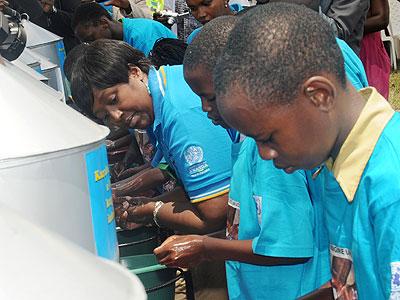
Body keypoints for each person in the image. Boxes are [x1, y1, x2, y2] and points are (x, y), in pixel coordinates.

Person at [214, 3, 400, 299]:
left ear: (319, 95)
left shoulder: (390, 187)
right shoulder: (333, 161)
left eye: (270, 138)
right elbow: (354, 281)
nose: (264, 155)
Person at [155, 16, 332, 299]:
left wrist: (205, 248)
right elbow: (248, 228)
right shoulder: (243, 141)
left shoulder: (270, 156)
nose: (204, 108)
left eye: (211, 97)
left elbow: (286, 246)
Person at [70, 39, 232, 235]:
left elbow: (215, 213)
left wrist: (154, 211)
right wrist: (149, 204)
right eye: (105, 116)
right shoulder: (162, 96)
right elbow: (193, 192)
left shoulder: (178, 114)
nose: (116, 117)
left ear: (135, 72)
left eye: (114, 99)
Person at [72, 2, 176, 55]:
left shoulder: (143, 36)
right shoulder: (120, 40)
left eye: (91, 39)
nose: (92, 45)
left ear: (103, 23)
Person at [359, 0, 391, 99]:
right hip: (337, 49)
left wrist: (346, 28)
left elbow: (381, 18)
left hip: (368, 52)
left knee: (372, 105)